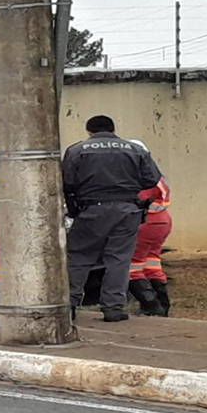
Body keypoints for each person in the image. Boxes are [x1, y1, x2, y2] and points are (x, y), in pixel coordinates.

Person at [63, 116, 161, 322]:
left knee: (79, 257)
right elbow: (151, 178)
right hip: (127, 210)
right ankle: (114, 308)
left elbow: (67, 181)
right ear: (113, 129)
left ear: (89, 131)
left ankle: (68, 305)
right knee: (119, 259)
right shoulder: (135, 150)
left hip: (91, 210)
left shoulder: (77, 150)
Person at [127, 139, 172, 317]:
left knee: (131, 265)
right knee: (152, 262)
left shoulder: (137, 176)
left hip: (143, 222)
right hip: (162, 221)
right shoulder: (157, 176)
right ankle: (163, 304)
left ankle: (150, 305)